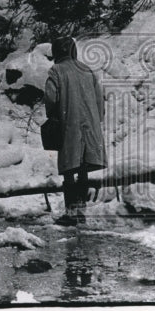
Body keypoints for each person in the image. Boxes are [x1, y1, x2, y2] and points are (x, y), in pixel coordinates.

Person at [44, 35, 106, 226]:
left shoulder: (57, 70)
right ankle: (81, 211)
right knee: (84, 166)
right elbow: (99, 100)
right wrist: (97, 119)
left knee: (69, 166)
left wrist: (53, 115)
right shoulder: (87, 70)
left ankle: (71, 213)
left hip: (69, 123)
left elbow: (51, 97)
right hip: (89, 124)